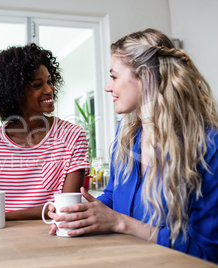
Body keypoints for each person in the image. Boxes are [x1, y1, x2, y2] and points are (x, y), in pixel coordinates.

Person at [47, 28, 218, 263]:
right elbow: (113, 196)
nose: (108, 87)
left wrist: (121, 223)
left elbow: (207, 252)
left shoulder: (209, 146)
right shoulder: (127, 134)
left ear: (146, 76)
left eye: (114, 77)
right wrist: (81, 213)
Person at [0, 43, 90, 223]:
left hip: (53, 237)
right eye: (37, 85)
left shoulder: (72, 136)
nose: (50, 90)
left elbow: (67, 207)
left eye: (49, 81)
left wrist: (2, 216)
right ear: (14, 92)